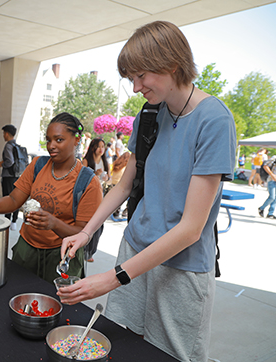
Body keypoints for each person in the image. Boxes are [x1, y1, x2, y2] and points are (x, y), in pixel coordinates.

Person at [58, 21, 236, 362]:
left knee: (170, 354)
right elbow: (126, 184)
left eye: (141, 76)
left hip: (181, 267)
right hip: (135, 246)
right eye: (132, 79)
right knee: (123, 345)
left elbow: (191, 228)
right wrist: (85, 231)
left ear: (171, 64)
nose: (136, 87)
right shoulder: (149, 114)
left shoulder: (215, 120)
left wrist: (113, 277)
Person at [0, 113, 103, 284]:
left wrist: (54, 223)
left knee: (55, 304)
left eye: (59, 140)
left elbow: (84, 233)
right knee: (19, 296)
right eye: (48, 140)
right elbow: (15, 200)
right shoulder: (38, 165)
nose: (51, 146)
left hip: (61, 256)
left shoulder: (88, 182)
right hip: (26, 249)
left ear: (76, 140)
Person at [81, 138, 109, 262]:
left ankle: (90, 251)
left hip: (101, 195)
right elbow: (81, 179)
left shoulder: (104, 161)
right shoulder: (86, 161)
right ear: (93, 147)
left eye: (103, 146)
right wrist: (95, 175)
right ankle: (85, 251)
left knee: (99, 225)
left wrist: (107, 178)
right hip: (88, 196)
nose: (101, 149)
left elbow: (107, 180)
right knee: (89, 223)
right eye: (99, 146)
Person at [0, 124, 21, 230]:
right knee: (16, 198)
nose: (3, 135)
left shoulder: (8, 145)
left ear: (7, 134)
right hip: (16, 175)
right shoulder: (16, 145)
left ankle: (7, 221)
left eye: (3, 133)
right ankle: (14, 221)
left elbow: (10, 161)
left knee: (7, 198)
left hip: (8, 176)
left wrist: (2, 164)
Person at [109, 151, 131, 218]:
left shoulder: (116, 165)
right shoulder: (125, 169)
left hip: (112, 185)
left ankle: (116, 211)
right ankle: (125, 211)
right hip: (119, 186)